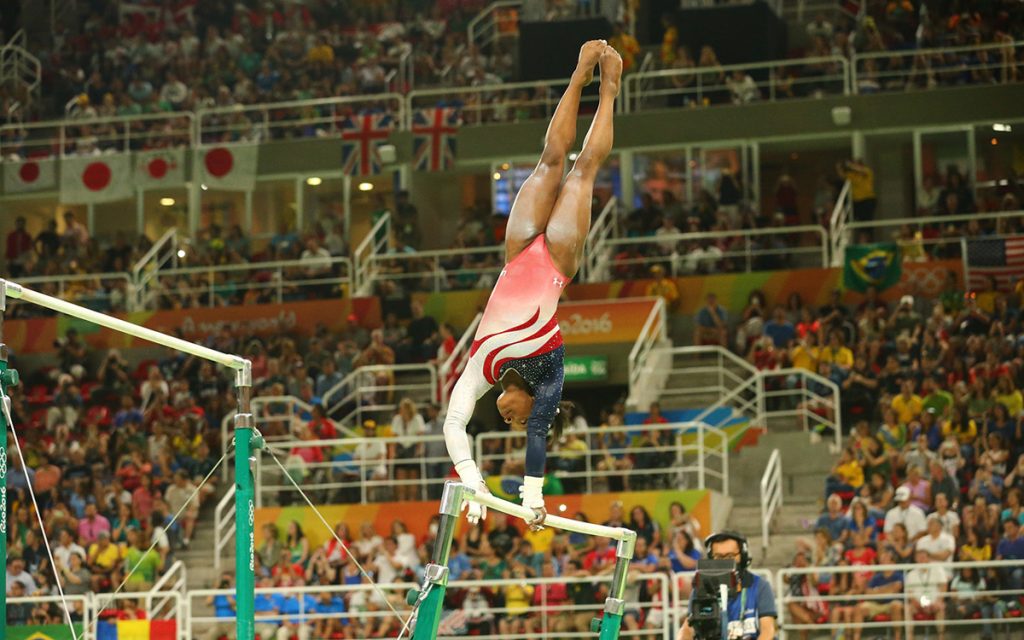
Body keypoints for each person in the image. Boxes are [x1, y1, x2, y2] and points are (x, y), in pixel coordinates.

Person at [443, 41, 622, 530]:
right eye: (515, 419)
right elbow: (539, 437)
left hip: (517, 253)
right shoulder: (548, 379)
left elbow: (453, 423)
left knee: (549, 161)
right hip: (557, 263)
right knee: (578, 167)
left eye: (509, 419)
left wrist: (473, 482)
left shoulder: (481, 367)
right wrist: (533, 496)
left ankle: (586, 76)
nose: (509, 416)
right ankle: (604, 89)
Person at [677, 531, 777, 640]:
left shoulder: (760, 586)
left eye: (730, 556)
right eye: (719, 557)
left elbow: (768, 630)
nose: (724, 562)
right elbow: (687, 629)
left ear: (743, 556)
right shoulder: (701, 589)